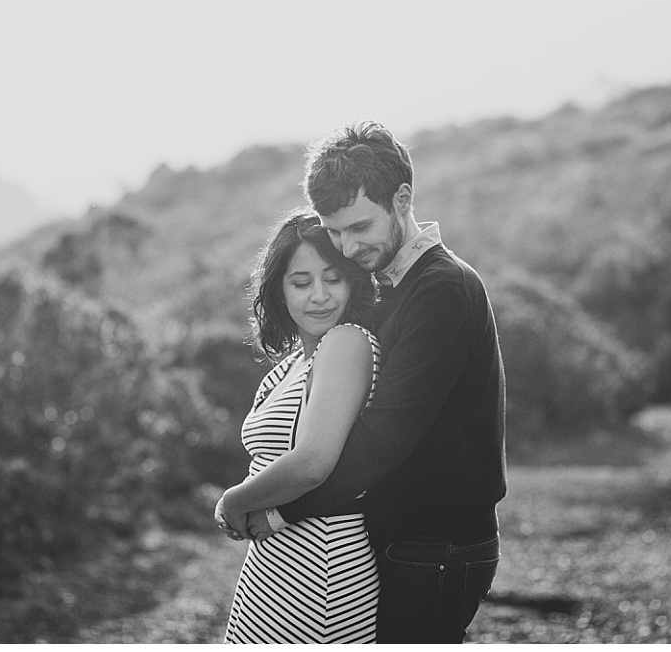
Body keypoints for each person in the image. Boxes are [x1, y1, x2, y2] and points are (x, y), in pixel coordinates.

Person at [232, 121, 507, 643]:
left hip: (438, 544)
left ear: (402, 199)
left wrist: (274, 511)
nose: (347, 246)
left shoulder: (442, 288)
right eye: (333, 231)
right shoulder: (394, 284)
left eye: (359, 227)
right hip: (405, 539)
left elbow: (382, 439)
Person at [215, 209, 383, 644]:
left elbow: (312, 463)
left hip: (321, 565)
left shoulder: (347, 342)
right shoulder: (289, 366)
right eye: (301, 282)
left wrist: (232, 502)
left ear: (353, 281)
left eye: (333, 278)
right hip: (274, 563)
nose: (320, 296)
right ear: (279, 292)